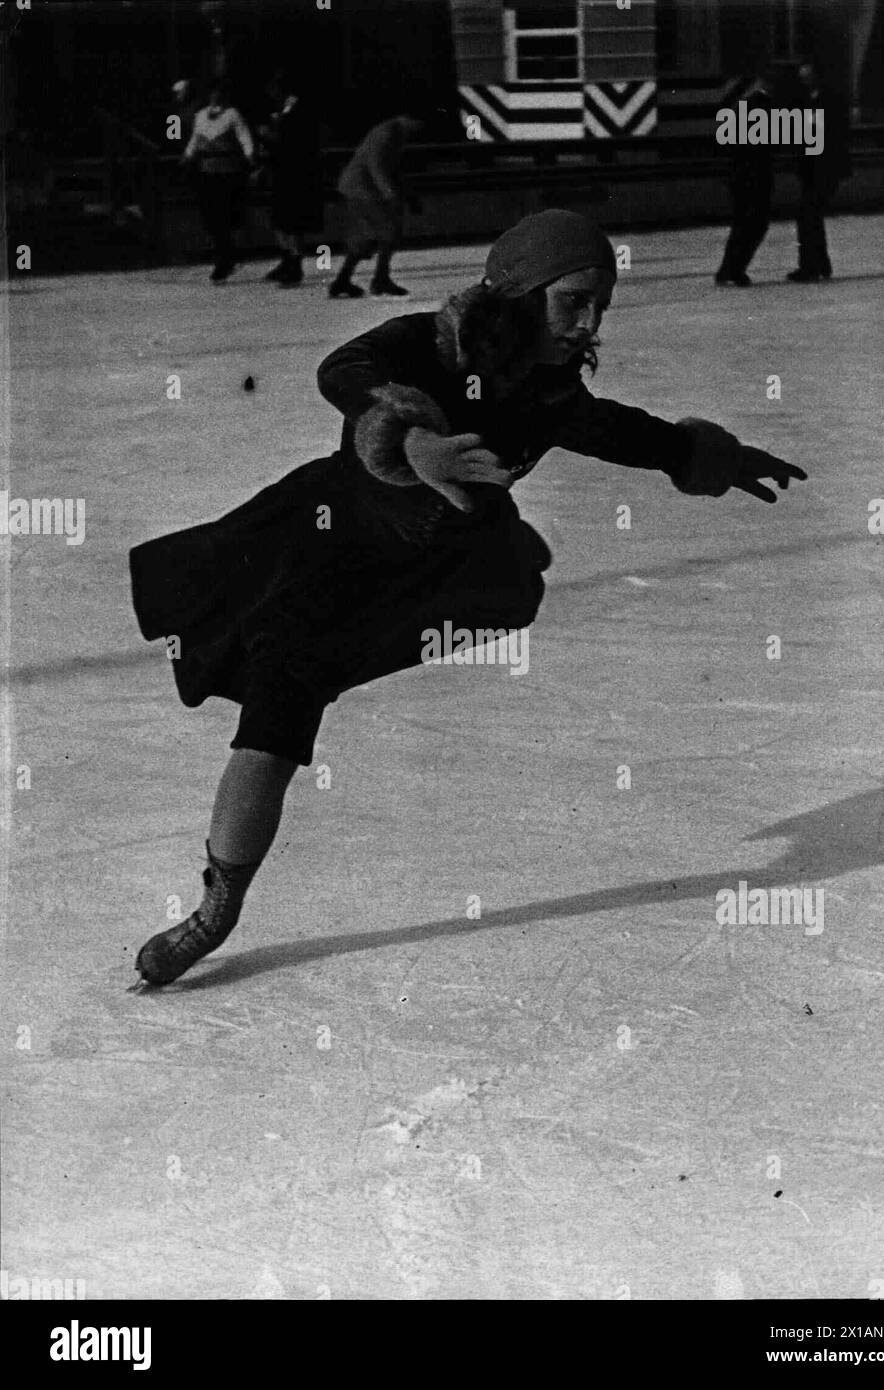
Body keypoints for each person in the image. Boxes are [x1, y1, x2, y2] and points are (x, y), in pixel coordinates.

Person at [128, 209, 806, 988]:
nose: (587, 323)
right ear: (520, 294)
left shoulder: (548, 394)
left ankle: (504, 552)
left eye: (599, 305)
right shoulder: (430, 344)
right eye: (572, 301)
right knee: (274, 726)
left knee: (504, 570)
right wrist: (408, 436)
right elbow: (341, 369)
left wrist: (709, 455)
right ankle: (216, 910)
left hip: (433, 566)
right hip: (322, 555)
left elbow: (634, 435)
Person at [328, 113, 426, 299]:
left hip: (361, 188)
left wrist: (406, 195)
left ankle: (347, 279)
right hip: (362, 188)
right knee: (387, 231)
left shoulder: (394, 132)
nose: (418, 129)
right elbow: (377, 165)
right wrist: (390, 193)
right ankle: (378, 278)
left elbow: (390, 167)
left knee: (372, 235)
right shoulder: (388, 133)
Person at [183, 84, 256, 282]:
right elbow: (196, 138)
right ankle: (225, 253)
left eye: (219, 93)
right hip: (206, 170)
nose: (215, 96)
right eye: (213, 93)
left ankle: (225, 257)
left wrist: (249, 154)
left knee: (223, 214)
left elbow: (243, 135)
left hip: (226, 170)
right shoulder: (200, 115)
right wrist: (188, 154)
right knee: (211, 215)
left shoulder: (232, 114)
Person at [787, 60, 852, 282]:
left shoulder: (824, 101)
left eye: (807, 77)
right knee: (811, 216)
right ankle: (820, 265)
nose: (804, 81)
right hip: (815, 170)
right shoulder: (813, 101)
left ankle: (811, 267)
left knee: (808, 216)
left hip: (823, 169)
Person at [260, 75, 323, 287]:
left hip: (294, 173)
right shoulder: (285, 111)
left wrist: (270, 136)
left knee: (291, 221)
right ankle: (288, 259)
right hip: (283, 172)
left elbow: (293, 144)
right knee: (281, 219)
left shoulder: (298, 111)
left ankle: (294, 263)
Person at [715, 74, 775, 287]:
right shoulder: (766, 108)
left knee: (741, 224)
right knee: (757, 224)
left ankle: (727, 269)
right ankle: (736, 269)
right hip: (757, 177)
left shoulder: (742, 108)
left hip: (739, 176)